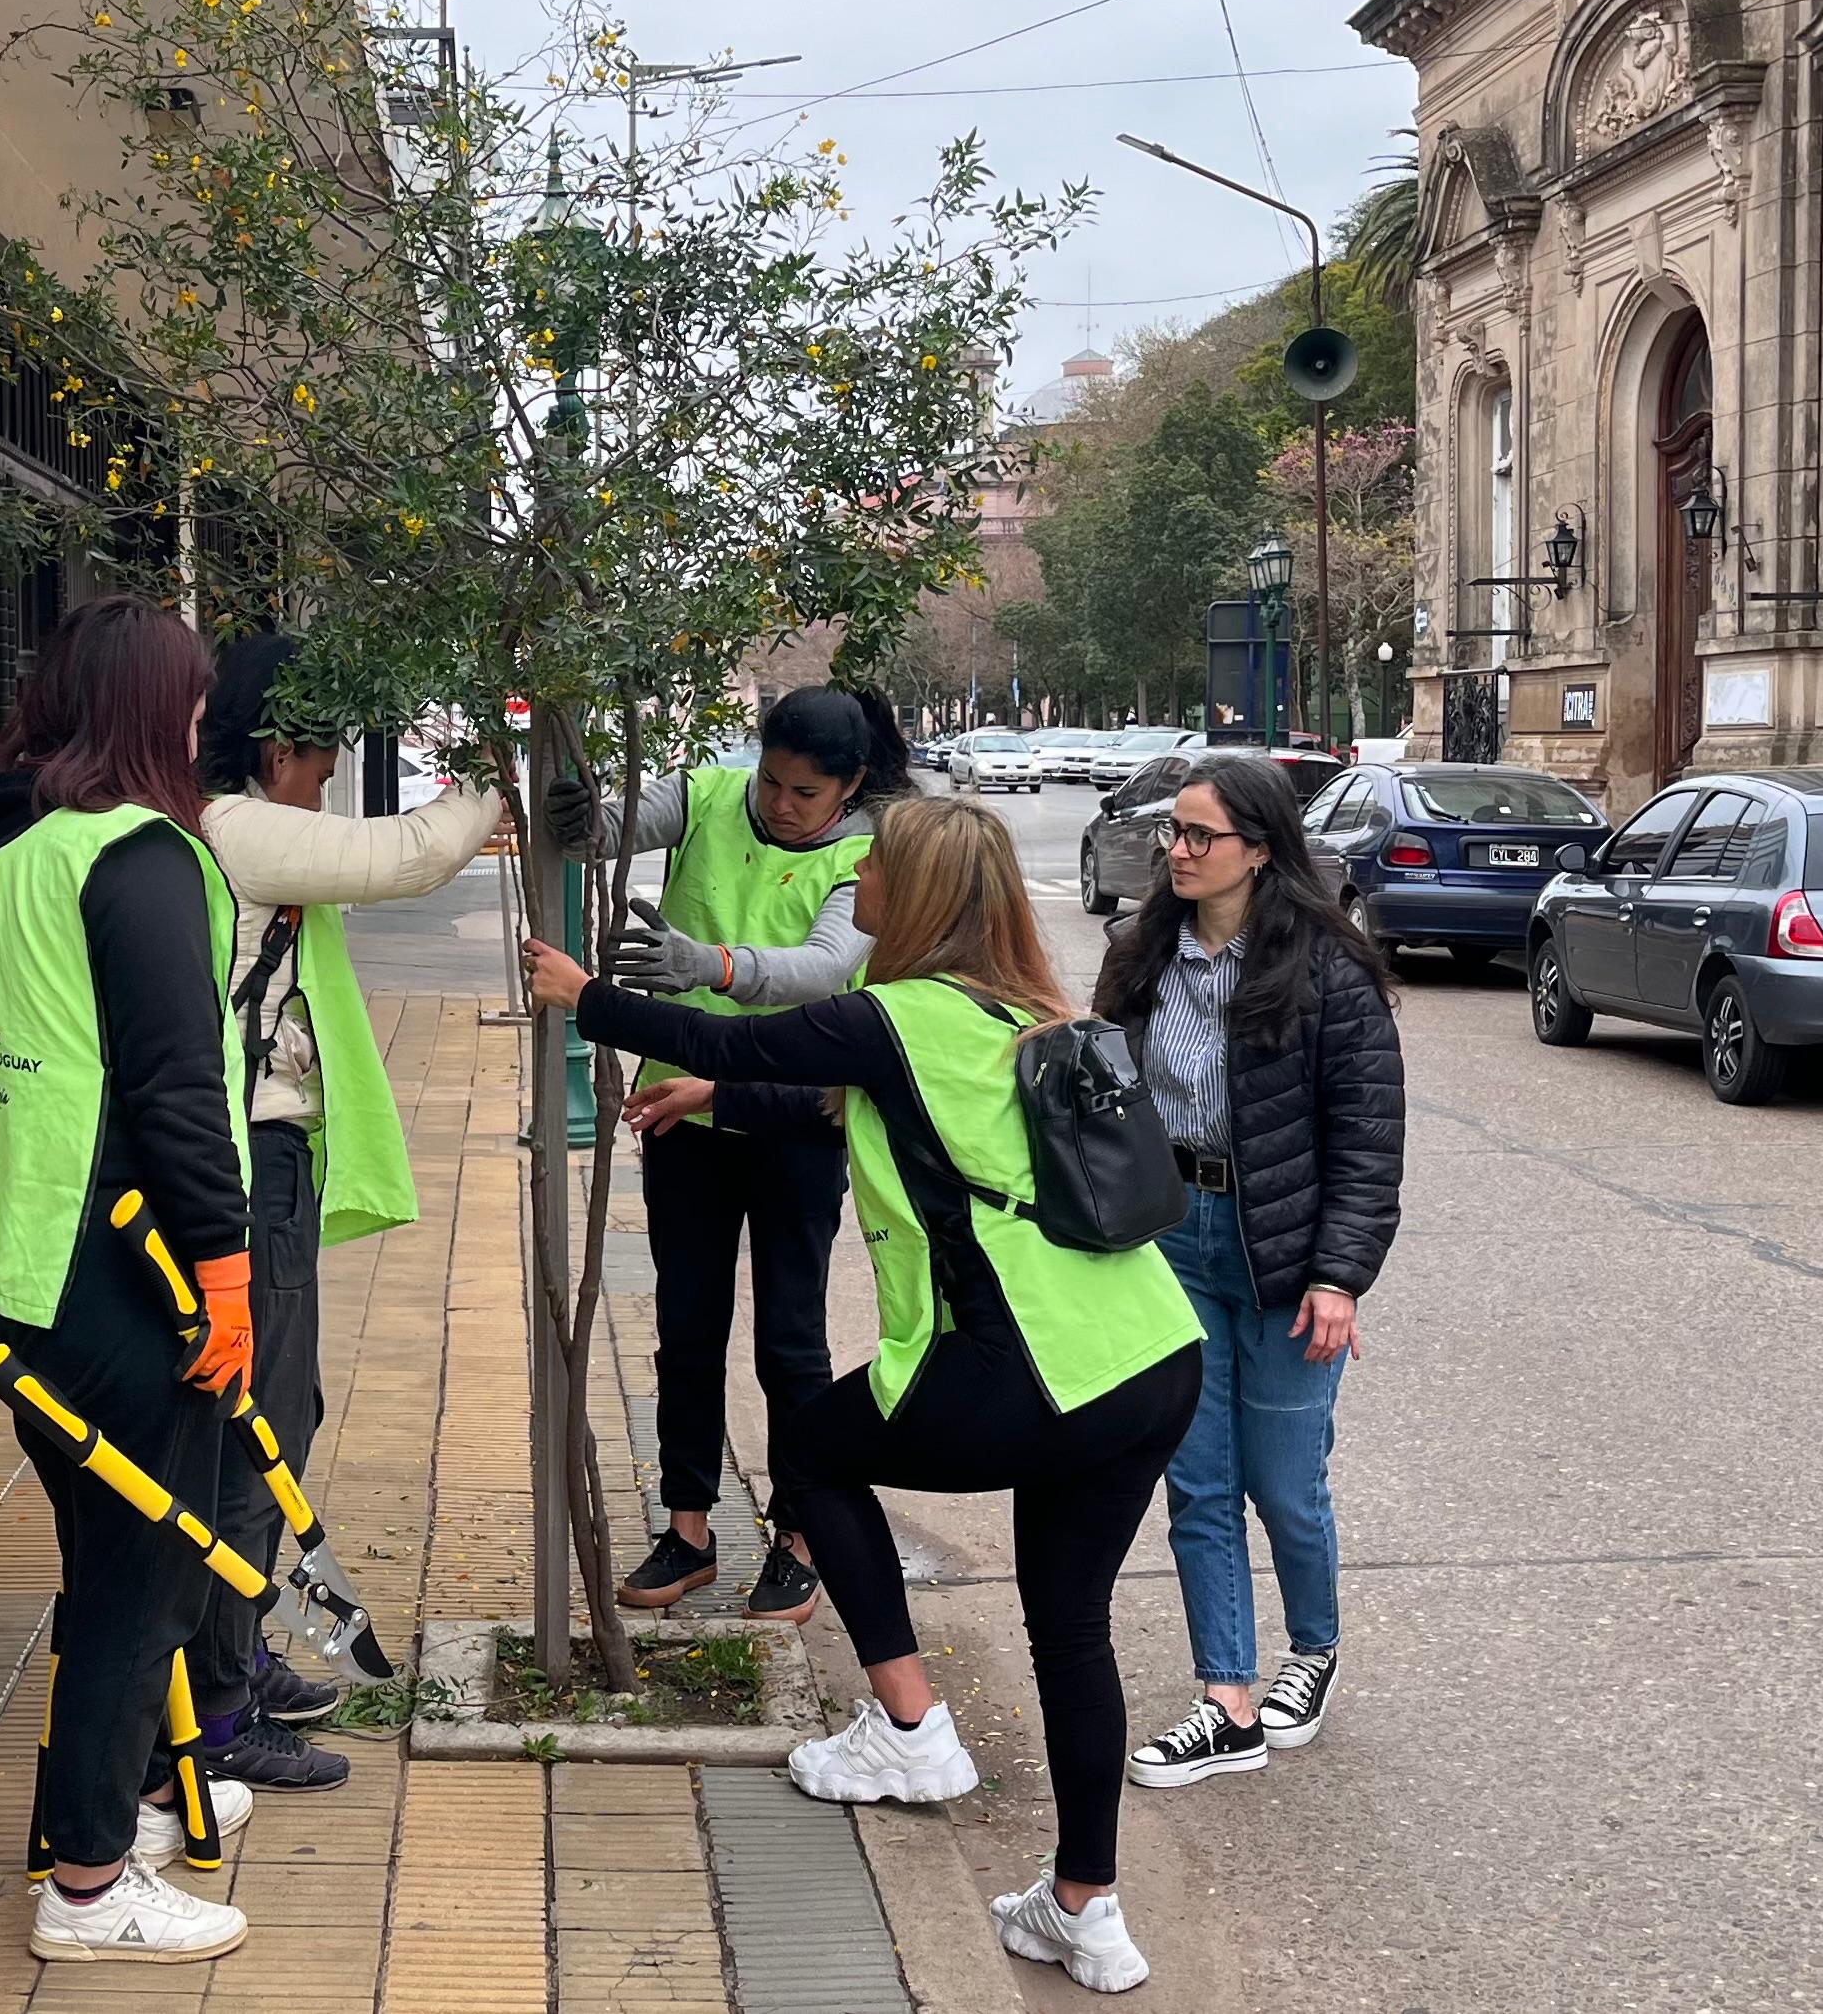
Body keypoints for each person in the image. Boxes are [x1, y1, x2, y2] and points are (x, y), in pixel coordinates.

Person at [525, 796, 1205, 1997]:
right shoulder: (1012, 1005)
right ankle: (1085, 1911)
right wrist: (713, 1103)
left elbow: (742, 1040)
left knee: (819, 1447)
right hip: (1146, 1357)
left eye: (875, 866)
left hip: (1033, 1365)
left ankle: (908, 1733)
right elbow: (841, 1098)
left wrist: (588, 998)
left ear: (919, 895)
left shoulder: (892, 1013)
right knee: (1072, 1631)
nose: (859, 877)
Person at [0, 595, 260, 1965]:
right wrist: (227, 1277)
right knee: (143, 1565)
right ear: (153, 709)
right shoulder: (142, 858)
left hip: (11, 1267)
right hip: (117, 1267)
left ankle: (115, 1806)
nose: (201, 723)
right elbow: (180, 1092)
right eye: (192, 700)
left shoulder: (1, 859)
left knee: (116, 1551)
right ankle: (91, 1888)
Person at [180, 634, 505, 1793]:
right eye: (321, 762)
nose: (325, 784)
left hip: (264, 1157)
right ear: (279, 748)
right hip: (245, 1161)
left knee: (280, 1414)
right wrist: (498, 760)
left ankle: (235, 1656)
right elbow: (416, 855)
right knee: (257, 1432)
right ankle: (218, 1704)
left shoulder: (215, 819)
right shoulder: (236, 826)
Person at [543, 685, 911, 1621]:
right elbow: (617, 823)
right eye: (774, 781)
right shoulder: (708, 795)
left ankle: (799, 1532)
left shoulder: (866, 853)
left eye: (806, 793)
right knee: (687, 1327)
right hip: (681, 1113)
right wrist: (585, 810)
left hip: (795, 1119)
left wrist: (708, 967)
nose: (782, 804)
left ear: (851, 787)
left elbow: (826, 968)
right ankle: (688, 1528)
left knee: (792, 1339)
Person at [1103, 753, 1404, 1794]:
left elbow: (1367, 1145)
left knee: (1283, 1485)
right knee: (1196, 1480)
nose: (1177, 853)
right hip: (1171, 1239)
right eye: (1172, 835)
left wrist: (1339, 1276)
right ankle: (1227, 1700)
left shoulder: (1329, 973)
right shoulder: (1140, 955)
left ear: (1261, 851)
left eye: (1200, 837)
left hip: (1282, 1252)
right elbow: (1105, 1097)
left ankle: (1310, 1653)